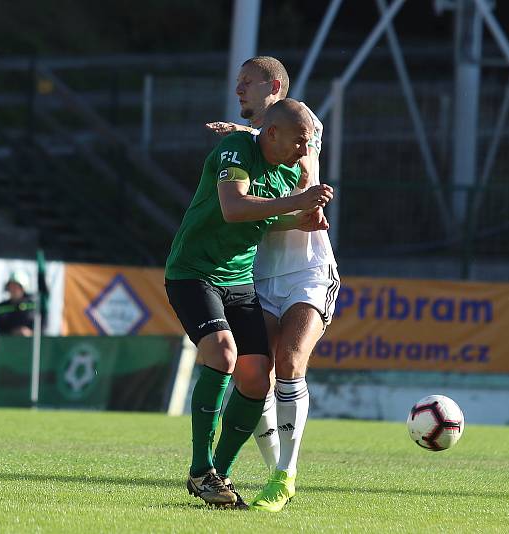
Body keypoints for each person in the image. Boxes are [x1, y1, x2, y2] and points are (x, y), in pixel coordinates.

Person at [165, 98, 333, 509]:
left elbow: (269, 220)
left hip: (239, 281)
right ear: (271, 134)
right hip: (194, 272)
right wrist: (296, 203)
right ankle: (201, 466)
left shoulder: (287, 170)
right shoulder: (235, 151)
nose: (303, 150)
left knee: (257, 377)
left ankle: (214, 477)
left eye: (307, 143)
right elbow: (234, 206)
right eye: (298, 141)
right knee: (222, 354)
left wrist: (302, 220)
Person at [206, 56, 340, 513]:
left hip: (307, 269)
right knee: (254, 370)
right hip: (259, 273)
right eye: (237, 81)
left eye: (248, 82)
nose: (239, 89)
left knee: (289, 359)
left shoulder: (304, 122)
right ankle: (273, 475)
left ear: (275, 86)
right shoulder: (242, 150)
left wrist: (245, 134)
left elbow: (307, 186)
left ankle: (286, 475)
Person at [0, 271, 35, 336]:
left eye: (16, 286)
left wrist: (30, 332)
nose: (13, 289)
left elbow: (42, 326)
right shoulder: (1, 307)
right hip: (7, 344)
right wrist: (13, 332)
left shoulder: (34, 306)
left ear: (23, 288)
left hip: (30, 344)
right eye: (11, 286)